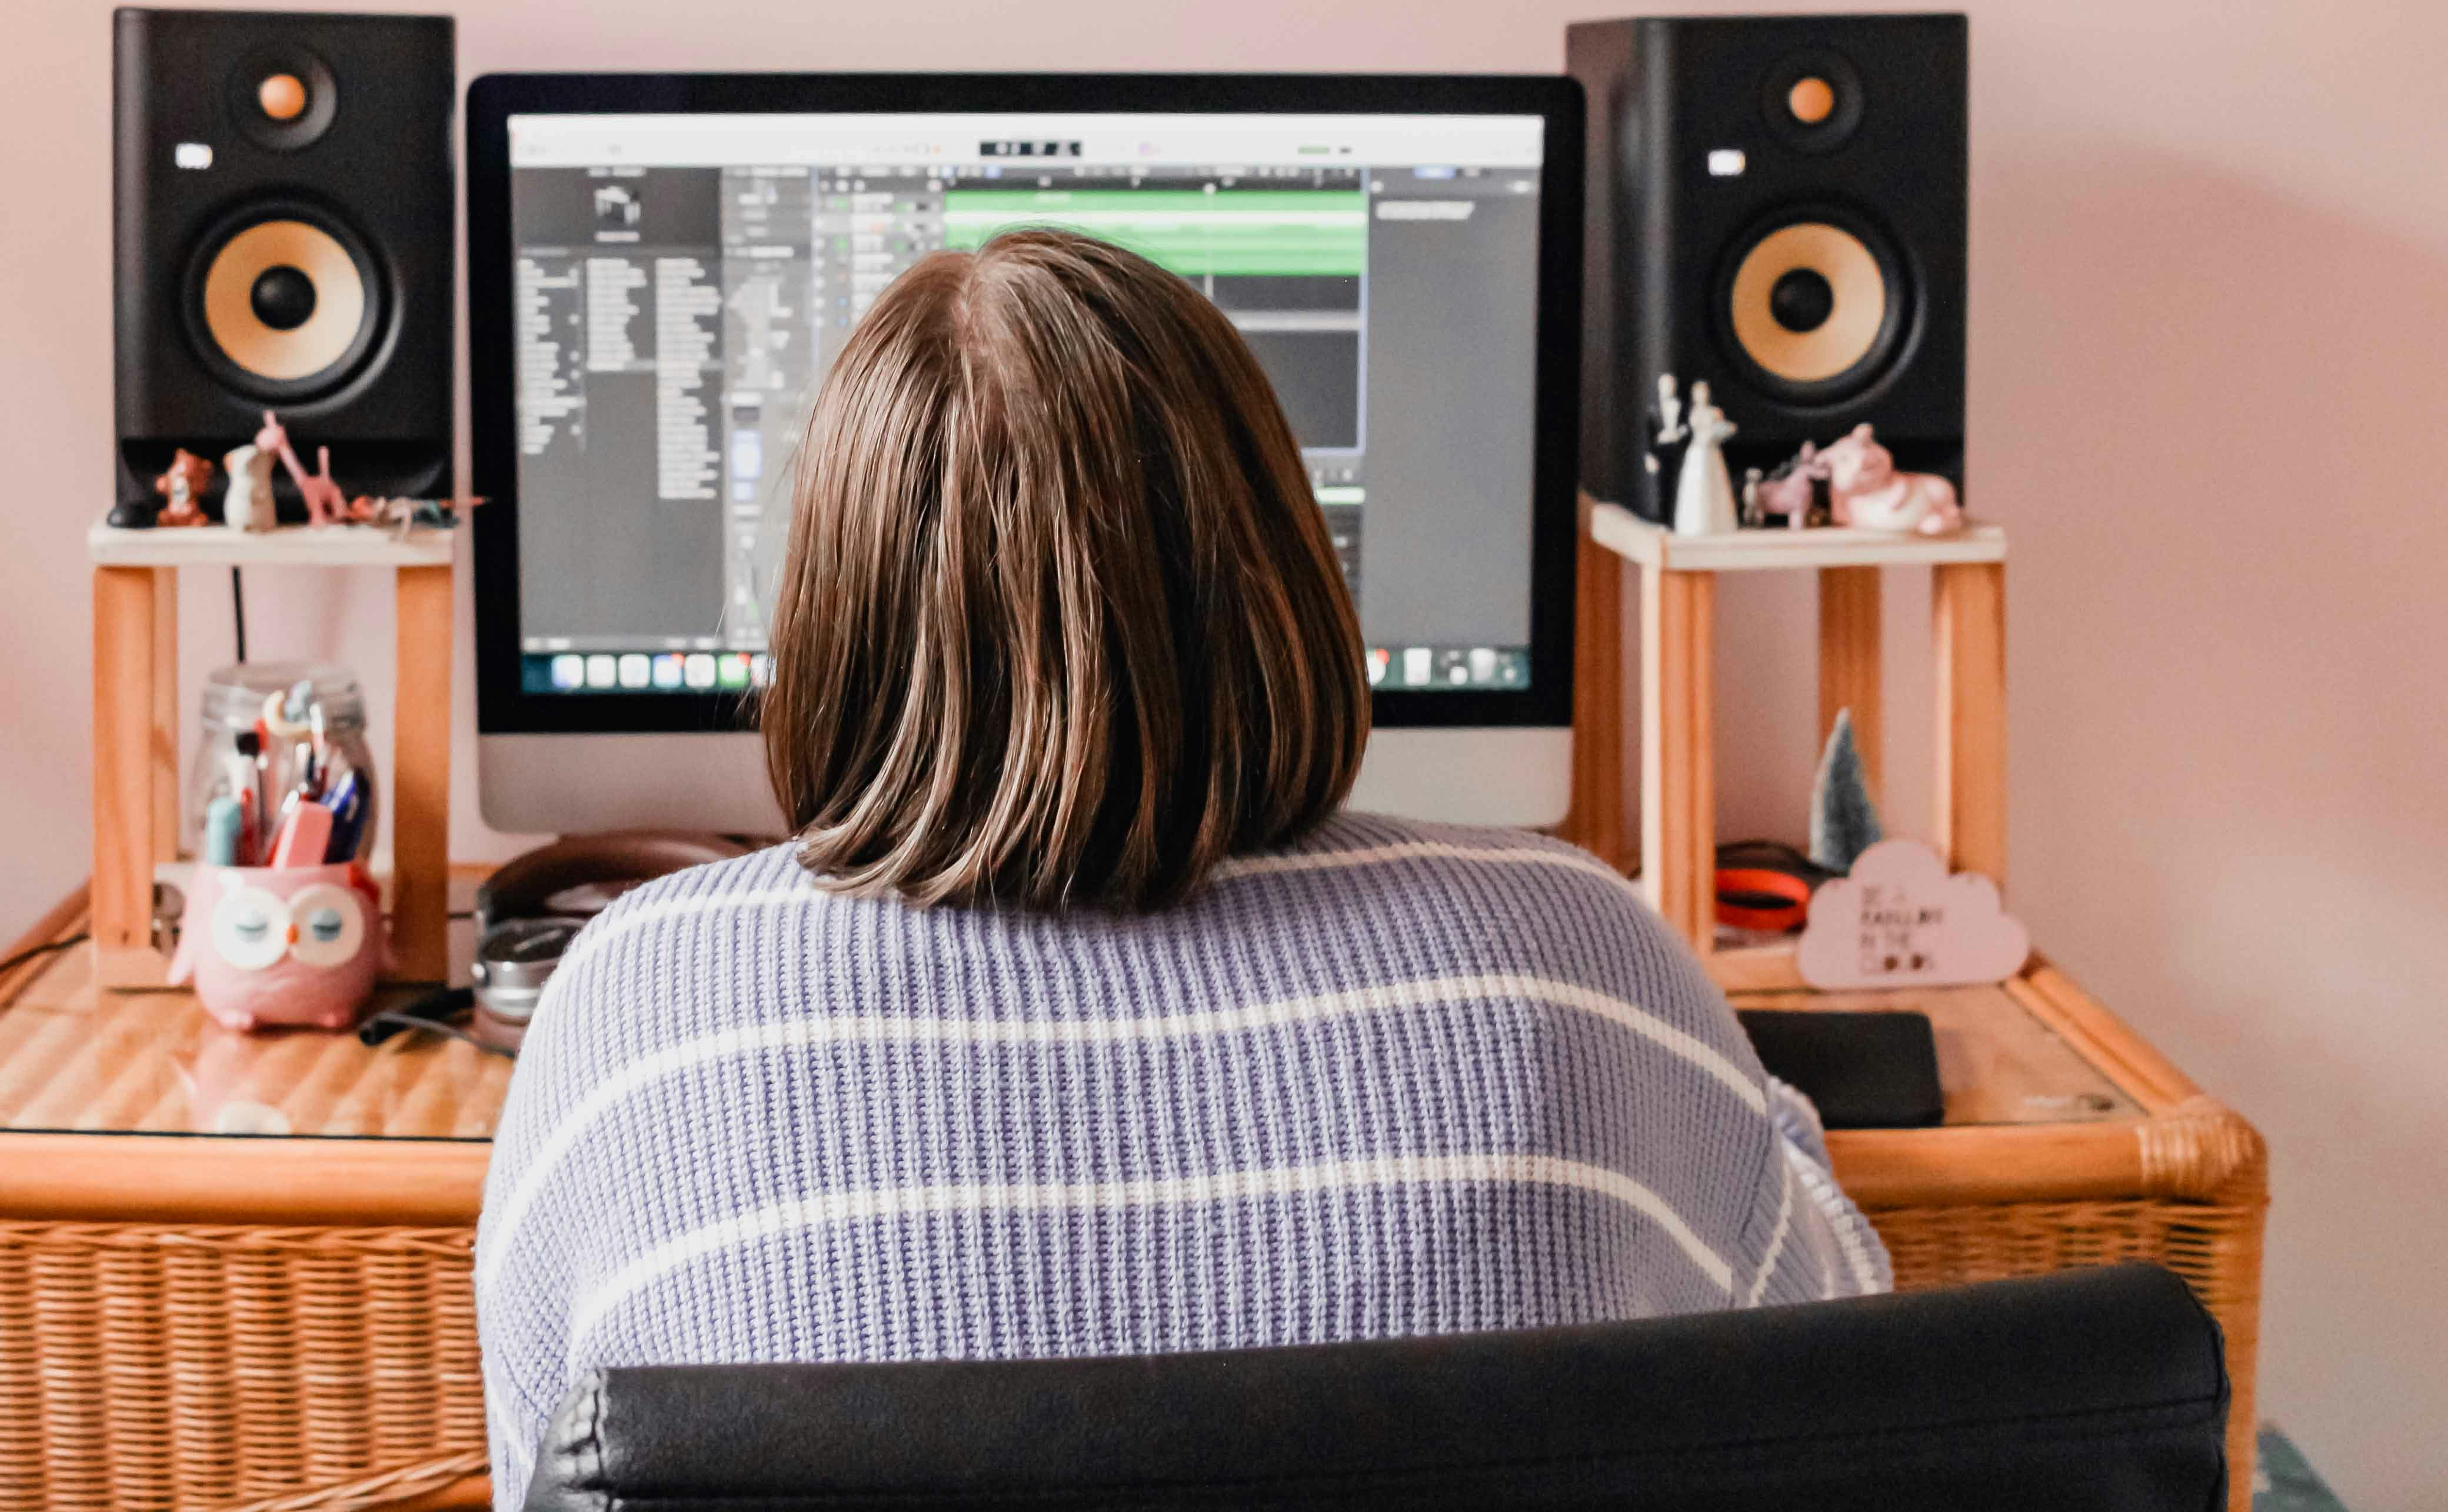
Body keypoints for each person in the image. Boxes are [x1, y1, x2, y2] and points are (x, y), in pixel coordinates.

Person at [477, 229, 1886, 1504]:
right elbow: (1837, 1366)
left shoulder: (629, 1010)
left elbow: (550, 1472)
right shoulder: (1582, 951)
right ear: (1278, 565)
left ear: (836, 615)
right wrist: (1770, 1123)